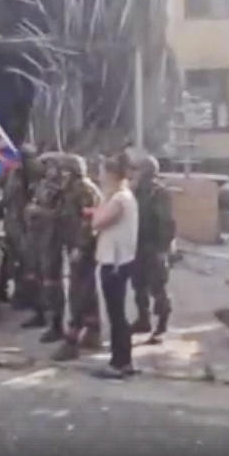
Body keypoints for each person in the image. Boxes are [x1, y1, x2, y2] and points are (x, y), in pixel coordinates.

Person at [90, 152, 139, 380]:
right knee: (117, 313)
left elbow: (98, 222)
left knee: (116, 314)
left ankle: (120, 362)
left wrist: (101, 203)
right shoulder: (122, 196)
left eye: (101, 172)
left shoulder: (119, 198)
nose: (99, 176)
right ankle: (123, 360)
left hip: (115, 262)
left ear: (110, 174)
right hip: (119, 259)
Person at [51, 155, 104, 360]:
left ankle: (72, 340)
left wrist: (80, 247)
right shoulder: (70, 190)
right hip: (73, 245)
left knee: (78, 292)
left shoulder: (84, 190)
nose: (60, 175)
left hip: (84, 248)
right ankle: (93, 331)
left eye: (64, 171)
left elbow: (88, 221)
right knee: (87, 291)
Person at [131, 153, 175, 342]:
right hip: (137, 245)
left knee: (158, 287)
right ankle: (143, 320)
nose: (135, 173)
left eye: (138, 169)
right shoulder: (135, 191)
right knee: (138, 285)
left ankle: (162, 327)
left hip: (153, 245)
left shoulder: (159, 192)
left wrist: (162, 249)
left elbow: (166, 222)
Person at [21, 157, 62, 330]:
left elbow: (59, 214)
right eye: (46, 166)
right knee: (33, 275)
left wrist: (39, 211)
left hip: (50, 237)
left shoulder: (61, 189)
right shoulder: (40, 185)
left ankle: (56, 322)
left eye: (51, 166)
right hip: (34, 234)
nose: (47, 170)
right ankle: (39, 313)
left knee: (50, 280)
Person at [2, 145, 38, 310]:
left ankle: (33, 298)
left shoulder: (30, 175)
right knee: (15, 261)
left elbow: (34, 198)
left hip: (26, 225)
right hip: (12, 222)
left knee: (28, 262)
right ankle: (21, 294)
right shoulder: (12, 174)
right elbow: (6, 198)